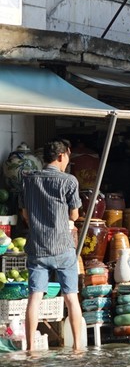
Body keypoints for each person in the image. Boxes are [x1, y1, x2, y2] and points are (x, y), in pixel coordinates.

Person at [19, 139, 85, 351]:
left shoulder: (27, 180)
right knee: (71, 298)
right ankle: (77, 348)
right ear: (61, 156)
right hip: (63, 247)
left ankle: (31, 349)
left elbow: (25, 214)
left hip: (37, 247)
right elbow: (74, 214)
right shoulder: (69, 181)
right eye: (68, 157)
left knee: (35, 299)